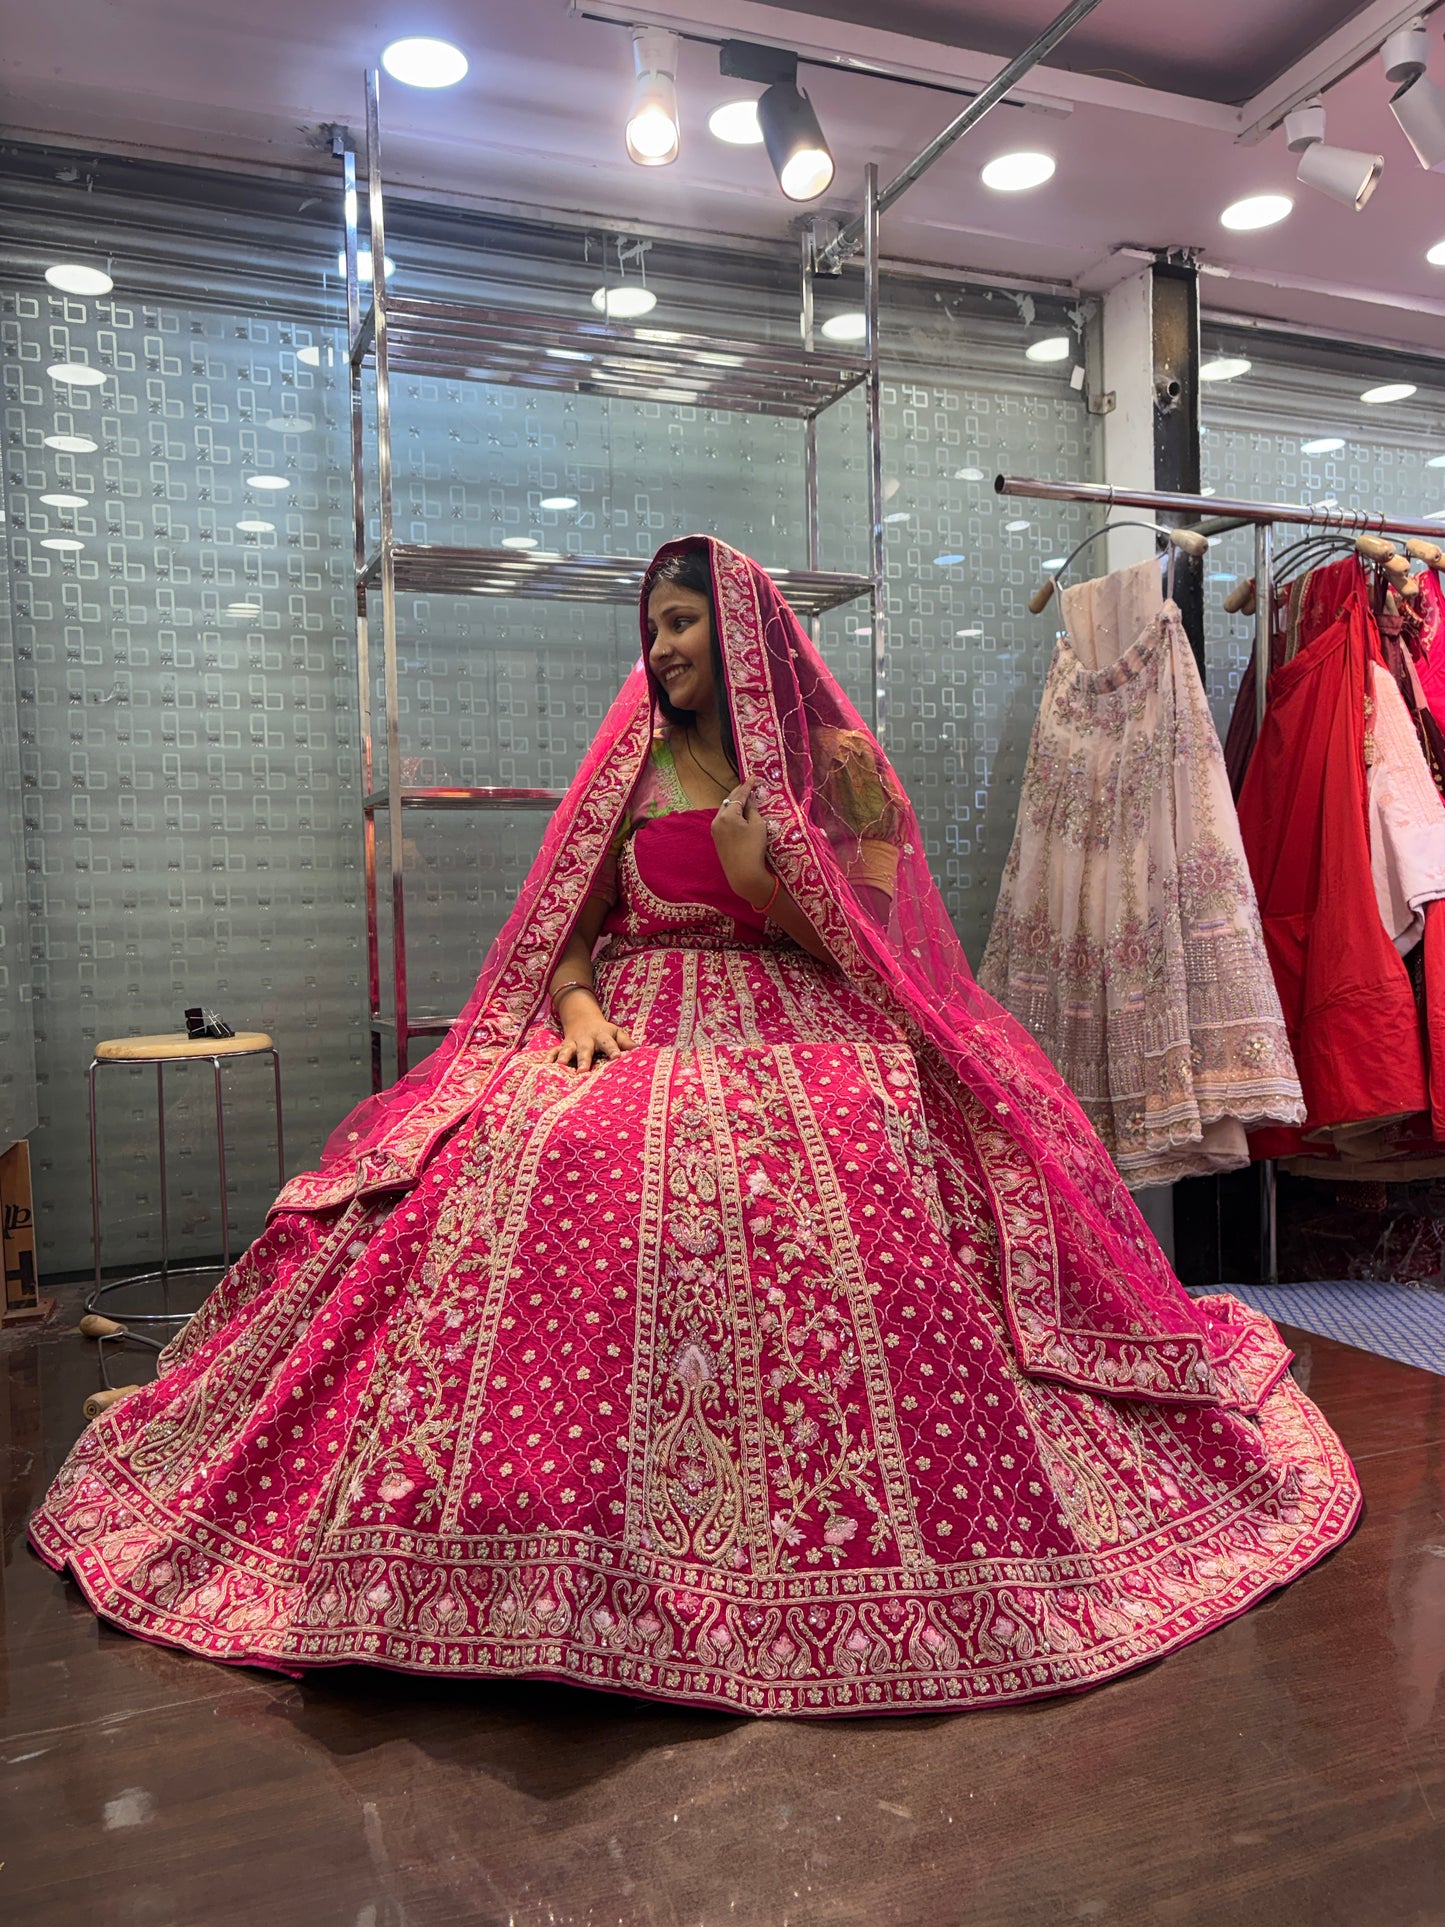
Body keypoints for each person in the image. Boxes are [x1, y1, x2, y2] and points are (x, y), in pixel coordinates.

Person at [31, 536, 1360, 1717]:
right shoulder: (628, 771)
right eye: (651, 627)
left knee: (863, 1137)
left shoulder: (837, 768)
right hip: (638, 1014)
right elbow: (567, 932)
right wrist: (574, 1010)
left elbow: (883, 953)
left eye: (681, 623)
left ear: (741, 634)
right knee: (546, 1145)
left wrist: (763, 883)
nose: (662, 648)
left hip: (803, 1016)